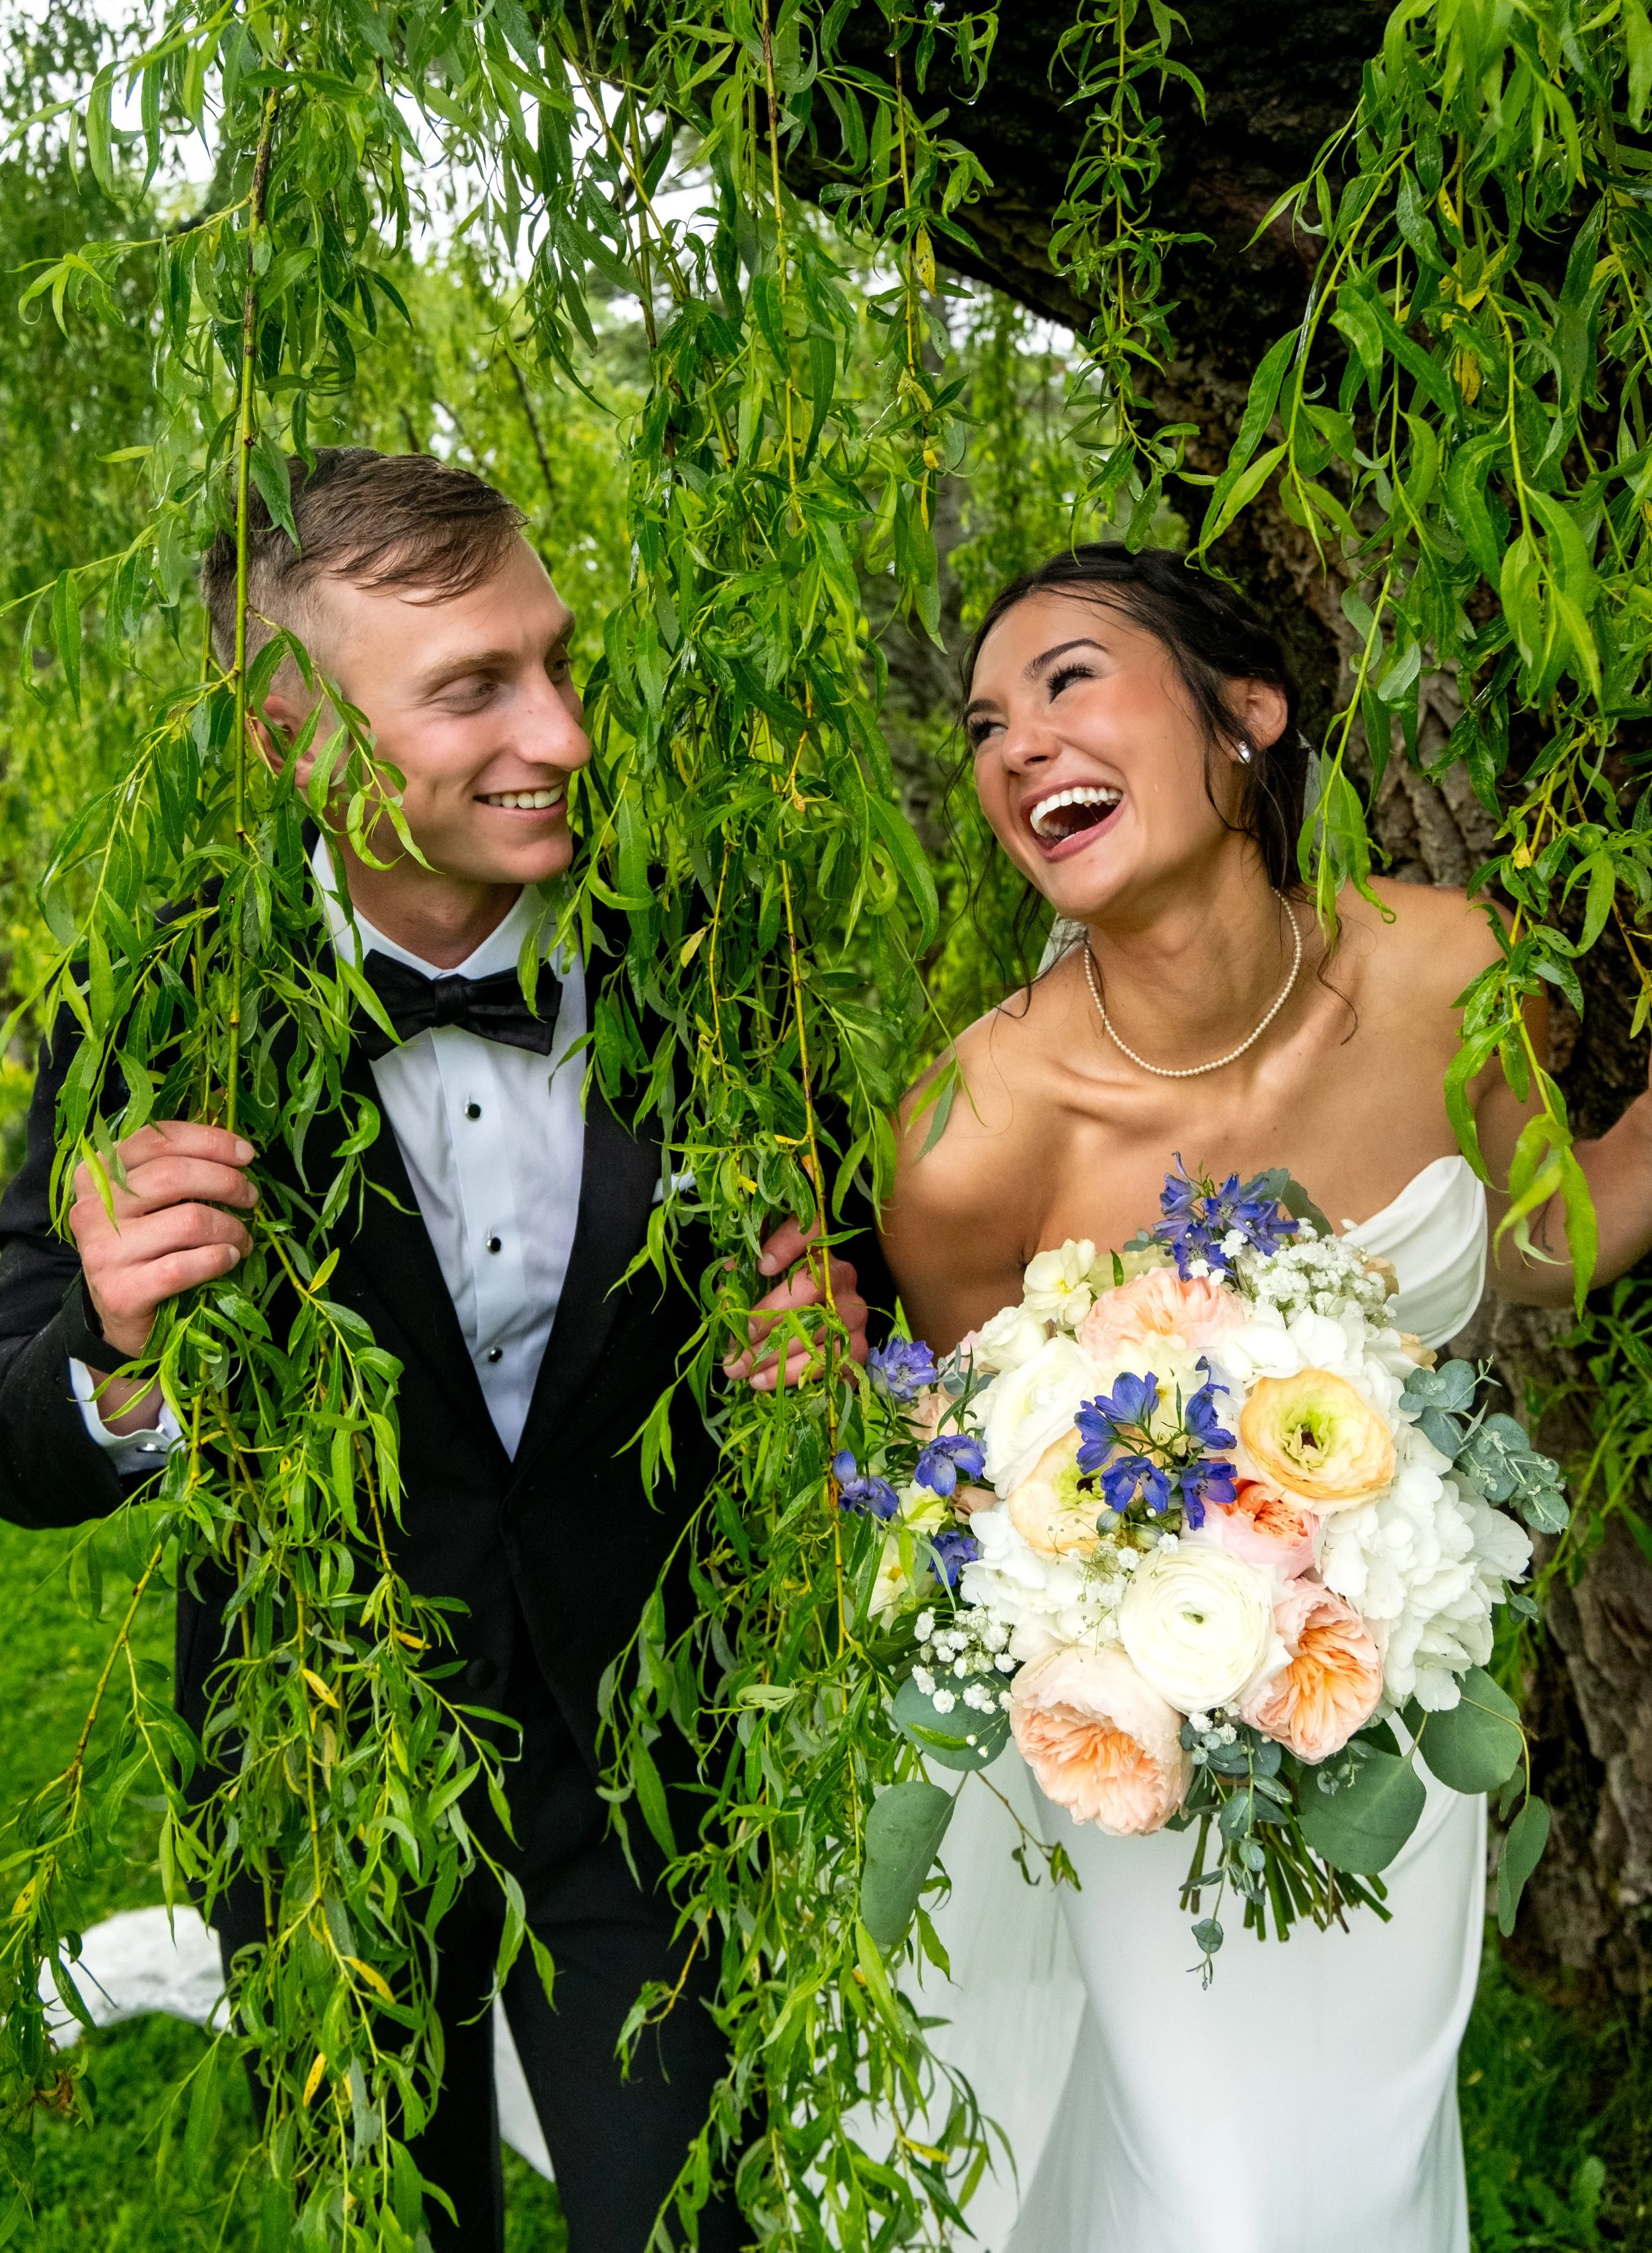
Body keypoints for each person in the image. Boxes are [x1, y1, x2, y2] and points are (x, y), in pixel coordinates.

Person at [0, 449, 863, 2253]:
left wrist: (837, 1322)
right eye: (472, 687)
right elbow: (17, 1429)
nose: (556, 729)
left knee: (694, 2222)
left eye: (556, 661)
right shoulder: (157, 1003)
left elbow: (853, 1252)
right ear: (281, 737)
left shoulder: (697, 955)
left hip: (650, 1751)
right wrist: (120, 1347)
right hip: (320, 1760)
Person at [870, 545, 1652, 2253]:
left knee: (1350, 2176)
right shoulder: (979, 1133)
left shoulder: (1441, 962)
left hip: (1387, 1705)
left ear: (1245, 717)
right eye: (985, 720)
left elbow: (1536, 1244)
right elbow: (955, 1488)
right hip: (1130, 1761)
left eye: (1069, 679)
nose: (1014, 744)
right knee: (1230, 2194)